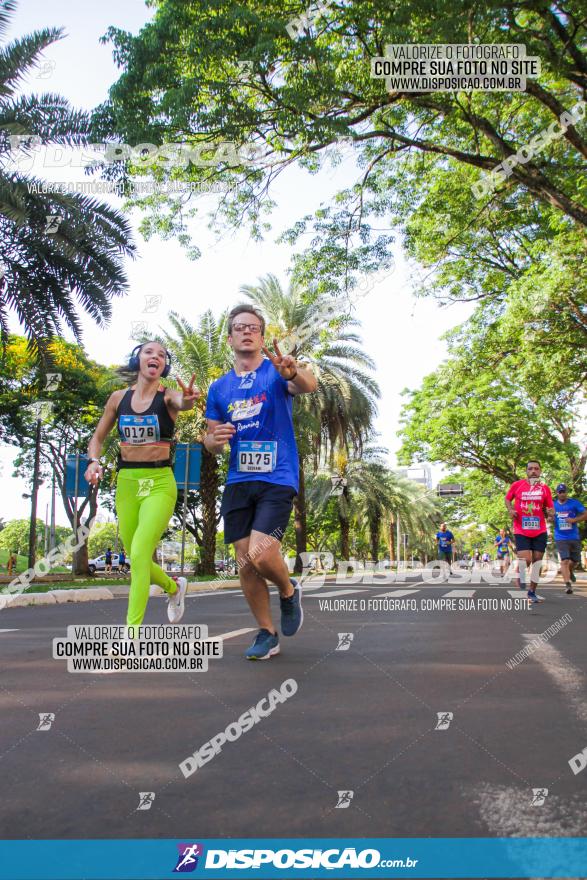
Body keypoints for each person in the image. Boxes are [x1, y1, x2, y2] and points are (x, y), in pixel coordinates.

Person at [204, 304, 317, 660]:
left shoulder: (275, 373)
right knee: (244, 559)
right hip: (239, 479)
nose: (246, 332)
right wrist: (215, 440)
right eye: (239, 327)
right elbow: (210, 442)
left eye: (253, 327)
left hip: (277, 476)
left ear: (262, 336)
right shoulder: (219, 388)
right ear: (230, 337)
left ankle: (287, 589)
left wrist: (293, 372)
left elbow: (308, 386)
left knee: (260, 552)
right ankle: (266, 632)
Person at [84, 340, 199, 628]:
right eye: (149, 352)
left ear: (164, 366)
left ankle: (131, 635)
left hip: (160, 482)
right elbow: (97, 438)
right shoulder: (117, 398)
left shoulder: (169, 396)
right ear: (139, 359)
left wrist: (189, 399)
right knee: (135, 556)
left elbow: (182, 403)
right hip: (127, 482)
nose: (155, 357)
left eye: (162, 355)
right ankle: (174, 588)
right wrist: (93, 461)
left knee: (138, 554)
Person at [505, 460, 555, 604]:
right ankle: (519, 573)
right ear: (526, 471)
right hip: (521, 529)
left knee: (538, 561)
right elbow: (507, 499)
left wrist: (551, 514)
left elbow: (550, 508)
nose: (533, 471)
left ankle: (532, 591)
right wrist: (510, 510)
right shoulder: (517, 485)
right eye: (530, 468)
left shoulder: (545, 488)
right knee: (526, 559)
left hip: (539, 529)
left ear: (540, 471)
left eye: (536, 469)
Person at [553, 483, 587, 594]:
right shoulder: (553, 505)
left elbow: (585, 514)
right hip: (560, 537)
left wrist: (574, 520)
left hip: (574, 536)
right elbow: (550, 517)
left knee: (575, 561)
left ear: (567, 492)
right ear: (557, 493)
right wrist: (549, 519)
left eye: (564, 492)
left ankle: (570, 570)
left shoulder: (574, 503)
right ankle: (567, 585)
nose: (562, 494)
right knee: (565, 560)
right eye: (560, 492)